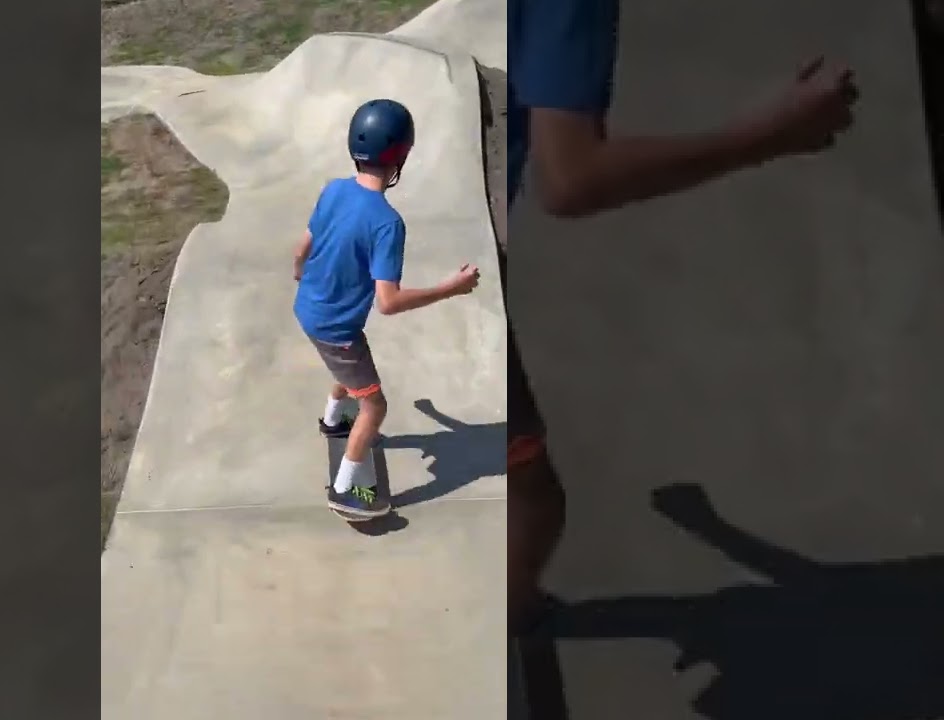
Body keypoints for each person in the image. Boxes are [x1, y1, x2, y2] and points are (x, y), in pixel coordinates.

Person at [508, 0, 859, 634]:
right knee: (529, 503)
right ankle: (488, 636)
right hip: (426, 272)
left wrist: (709, 527)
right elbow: (569, 178)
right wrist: (776, 134)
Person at [293, 98, 482, 519]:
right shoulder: (386, 222)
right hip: (337, 330)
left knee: (346, 365)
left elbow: (302, 248)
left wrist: (299, 273)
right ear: (402, 155)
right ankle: (346, 491)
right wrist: (450, 288)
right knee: (375, 405)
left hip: (308, 310)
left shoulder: (333, 189)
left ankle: (332, 420)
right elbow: (389, 302)